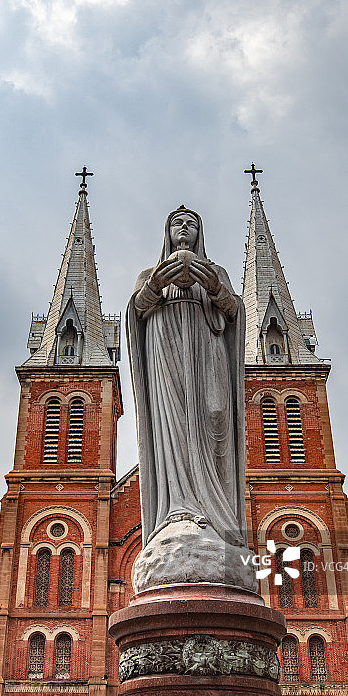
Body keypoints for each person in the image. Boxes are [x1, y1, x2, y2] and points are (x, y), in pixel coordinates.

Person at [126, 206, 247, 549]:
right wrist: (157, 283)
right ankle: (177, 510)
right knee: (174, 428)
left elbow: (234, 311)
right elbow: (136, 311)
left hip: (208, 354)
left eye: (191, 223)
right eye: (177, 223)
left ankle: (217, 514)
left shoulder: (216, 271)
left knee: (215, 417)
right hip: (166, 354)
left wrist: (212, 285)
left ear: (200, 233)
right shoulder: (149, 273)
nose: (184, 228)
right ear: (167, 232)